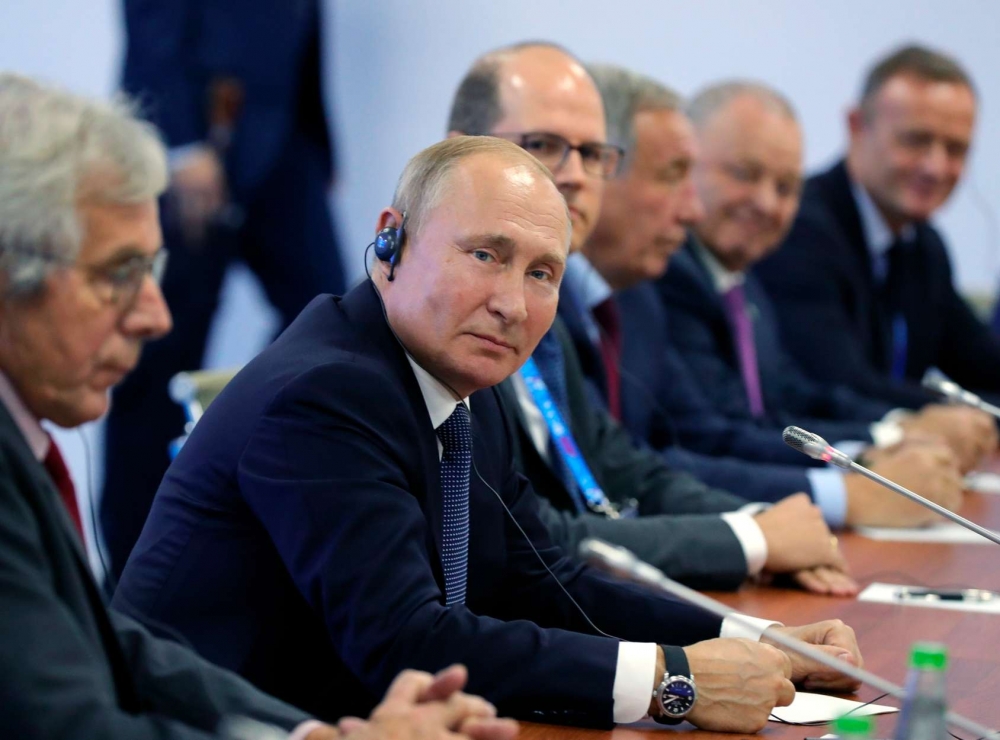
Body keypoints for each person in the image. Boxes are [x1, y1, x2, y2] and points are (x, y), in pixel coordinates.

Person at [115, 129, 863, 732]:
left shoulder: (465, 380)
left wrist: (752, 643)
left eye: (542, 274)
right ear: (391, 244)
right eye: (486, 255)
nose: (513, 304)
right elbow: (405, 641)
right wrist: (676, 681)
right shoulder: (325, 392)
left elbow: (543, 582)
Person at [0, 73, 514, 740]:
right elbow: (66, 728)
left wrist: (314, 736)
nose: (155, 316)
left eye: (152, 272)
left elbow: (115, 650)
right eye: (117, 274)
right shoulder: (330, 385)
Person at [445, 51, 851, 593]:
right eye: (542, 145)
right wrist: (751, 540)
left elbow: (624, 466)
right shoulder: (440, 322)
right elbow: (518, 539)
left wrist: (763, 524)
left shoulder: (555, 315)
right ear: (456, 153)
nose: (573, 176)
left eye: (593, 155)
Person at [652, 81, 976, 528]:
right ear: (685, 167)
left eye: (786, 187)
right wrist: (861, 477)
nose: (767, 203)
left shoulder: (741, 279)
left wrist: (891, 434)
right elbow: (709, 437)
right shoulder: (667, 276)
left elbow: (788, 399)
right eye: (744, 174)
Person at [102, 0, 348, 578]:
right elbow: (152, 20)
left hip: (284, 137)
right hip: (198, 132)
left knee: (330, 321)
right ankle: (130, 575)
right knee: (157, 355)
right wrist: (183, 145)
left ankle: (253, 505)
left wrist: (315, 142)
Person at [756, 44, 1000, 427]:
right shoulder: (799, 230)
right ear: (857, 126)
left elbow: (983, 363)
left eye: (956, 149)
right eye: (916, 141)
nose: (935, 167)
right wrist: (964, 417)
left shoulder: (924, 247)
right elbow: (843, 384)